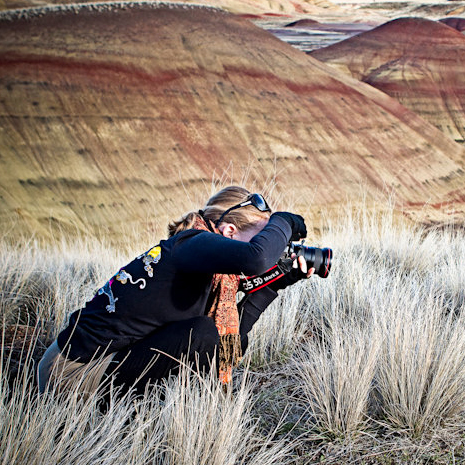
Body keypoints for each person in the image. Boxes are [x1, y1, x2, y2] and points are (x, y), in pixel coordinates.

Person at [37, 186, 313, 396]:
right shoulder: (192, 244)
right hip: (72, 371)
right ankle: (163, 415)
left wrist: (275, 284)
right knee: (204, 334)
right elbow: (257, 258)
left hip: (106, 358)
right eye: (263, 236)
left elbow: (230, 345)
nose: (272, 249)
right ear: (229, 231)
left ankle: (179, 408)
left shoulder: (212, 268)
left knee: (223, 338)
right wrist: (285, 221)